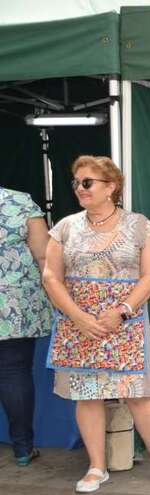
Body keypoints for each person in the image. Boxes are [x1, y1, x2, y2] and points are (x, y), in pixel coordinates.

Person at [42, 156, 150, 493]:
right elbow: (50, 276)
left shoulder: (139, 226)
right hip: (79, 325)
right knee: (86, 395)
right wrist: (78, 317)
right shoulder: (65, 228)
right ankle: (96, 467)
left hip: (126, 324)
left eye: (87, 182)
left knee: (138, 393)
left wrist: (121, 311)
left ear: (111, 187)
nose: (80, 188)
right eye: (76, 182)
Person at [0, 186, 52, 466]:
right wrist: (57, 298)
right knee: (14, 371)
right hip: (14, 305)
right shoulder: (20, 202)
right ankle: (22, 448)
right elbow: (43, 256)